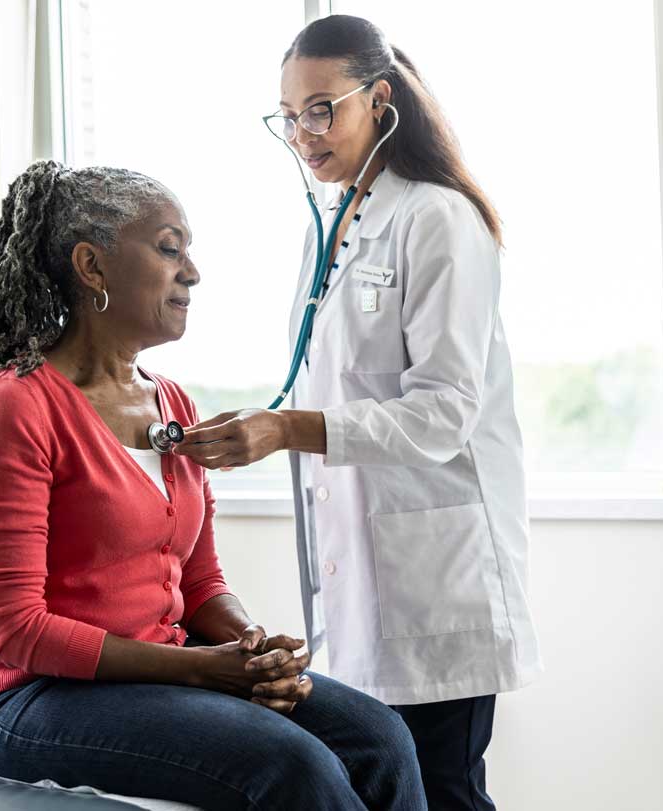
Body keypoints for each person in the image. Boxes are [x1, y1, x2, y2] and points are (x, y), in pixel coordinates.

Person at [0, 160, 425, 810]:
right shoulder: (16, 406)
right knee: (293, 766)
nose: (192, 272)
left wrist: (249, 648)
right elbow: (11, 627)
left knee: (382, 737)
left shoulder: (172, 402)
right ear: (93, 266)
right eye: (170, 249)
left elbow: (198, 582)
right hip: (27, 696)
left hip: (159, 669)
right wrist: (204, 667)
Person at [175, 16, 543, 810]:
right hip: (359, 569)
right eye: (288, 115)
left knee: (442, 787)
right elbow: (335, 381)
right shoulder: (331, 221)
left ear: (379, 100)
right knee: (382, 783)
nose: (303, 134)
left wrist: (285, 430)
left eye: (321, 109)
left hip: (437, 573)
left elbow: (445, 411)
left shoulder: (437, 217)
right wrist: (262, 423)